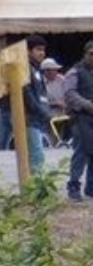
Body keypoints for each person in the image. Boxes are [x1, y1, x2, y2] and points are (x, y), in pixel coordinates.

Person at [21, 35, 54, 176]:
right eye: (38, 49)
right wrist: (46, 114)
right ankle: (37, 192)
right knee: (37, 157)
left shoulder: (36, 69)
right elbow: (29, 98)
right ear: (28, 51)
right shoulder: (24, 69)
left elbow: (41, 97)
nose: (42, 53)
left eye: (43, 50)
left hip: (38, 119)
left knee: (37, 156)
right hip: (29, 119)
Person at [65, 40, 93, 201]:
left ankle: (91, 187)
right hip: (81, 117)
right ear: (85, 54)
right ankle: (73, 186)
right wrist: (87, 105)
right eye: (91, 54)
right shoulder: (75, 71)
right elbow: (69, 93)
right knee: (81, 153)